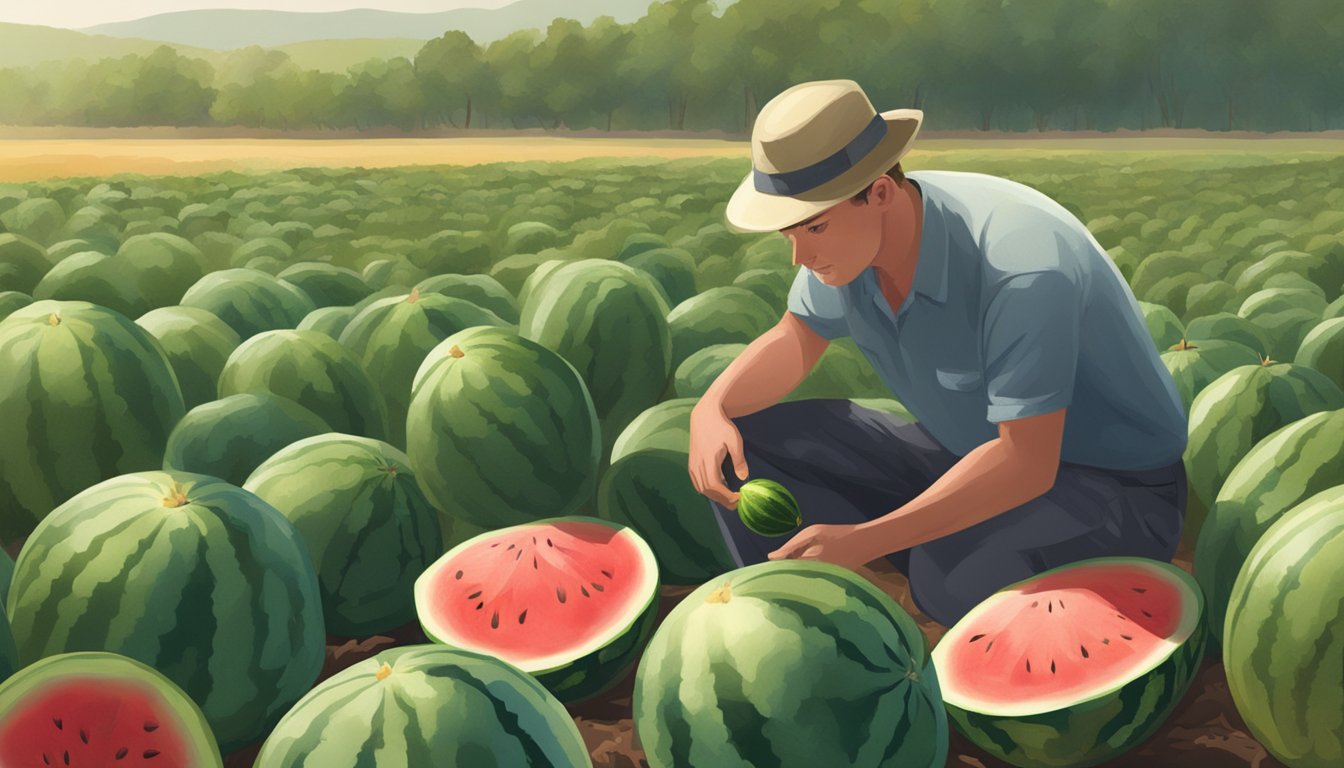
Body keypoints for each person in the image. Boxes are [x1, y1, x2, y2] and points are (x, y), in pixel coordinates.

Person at [688, 79, 1188, 627]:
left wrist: (864, 540)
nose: (800, 256)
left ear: (879, 193)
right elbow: (797, 338)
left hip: (1113, 489)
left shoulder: (1022, 263)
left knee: (946, 575)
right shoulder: (848, 251)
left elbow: (1026, 463)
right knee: (752, 446)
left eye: (815, 227)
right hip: (963, 453)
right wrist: (711, 407)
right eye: (789, 234)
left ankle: (884, 603)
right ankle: (798, 609)